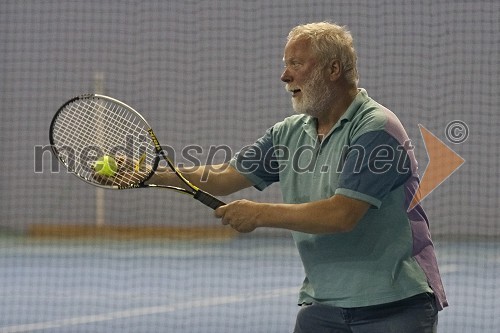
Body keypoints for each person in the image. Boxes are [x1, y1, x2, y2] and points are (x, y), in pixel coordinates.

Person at [150, 22, 448, 332]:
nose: (285, 75)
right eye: (285, 64)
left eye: (296, 63)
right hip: (324, 306)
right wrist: (150, 173)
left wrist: (260, 213)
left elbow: (342, 214)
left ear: (333, 69)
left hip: (394, 307)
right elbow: (226, 175)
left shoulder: (376, 128)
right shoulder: (289, 133)